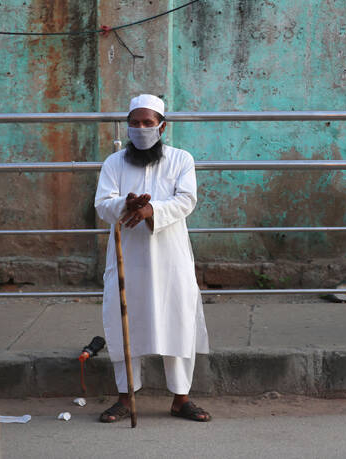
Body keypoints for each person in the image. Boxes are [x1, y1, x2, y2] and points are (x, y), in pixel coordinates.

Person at [94, 94, 211, 422]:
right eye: (135, 123)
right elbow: (103, 203)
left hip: (170, 254)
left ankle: (181, 398)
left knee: (177, 318)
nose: (141, 128)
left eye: (148, 123)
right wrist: (126, 205)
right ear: (128, 127)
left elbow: (187, 200)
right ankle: (125, 397)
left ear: (162, 126)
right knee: (124, 319)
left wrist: (151, 210)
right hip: (127, 255)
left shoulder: (180, 160)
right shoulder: (114, 163)